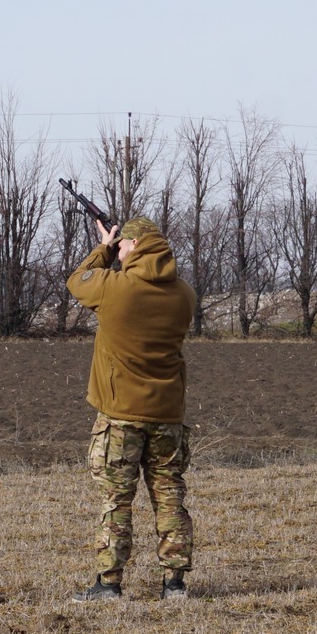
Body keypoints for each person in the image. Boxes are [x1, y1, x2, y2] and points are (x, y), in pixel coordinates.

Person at [64, 214, 198, 601]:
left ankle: (109, 584)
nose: (119, 252)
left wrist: (103, 247)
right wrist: (115, 246)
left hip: (121, 416)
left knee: (117, 500)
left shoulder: (113, 287)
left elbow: (77, 281)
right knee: (170, 495)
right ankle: (174, 584)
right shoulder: (185, 295)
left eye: (124, 246)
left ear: (135, 246)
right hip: (168, 415)